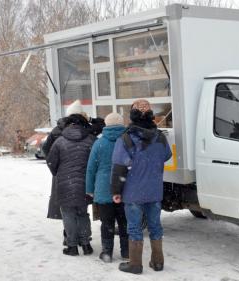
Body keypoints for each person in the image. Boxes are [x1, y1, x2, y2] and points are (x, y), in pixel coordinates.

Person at [111, 99, 172, 274]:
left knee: (134, 228)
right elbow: (166, 155)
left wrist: (116, 191)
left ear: (132, 115)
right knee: (155, 226)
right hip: (154, 190)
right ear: (151, 115)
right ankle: (158, 261)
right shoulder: (159, 136)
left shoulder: (126, 138)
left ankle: (136, 264)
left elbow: (119, 166)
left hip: (133, 192)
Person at [46, 100, 96, 256]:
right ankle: (86, 244)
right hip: (84, 183)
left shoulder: (60, 140)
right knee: (83, 213)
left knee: (68, 214)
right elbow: (95, 161)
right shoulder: (90, 139)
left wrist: (58, 173)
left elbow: (51, 161)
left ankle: (72, 246)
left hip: (65, 183)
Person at [86, 112, 128, 263]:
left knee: (107, 223)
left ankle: (107, 253)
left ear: (106, 125)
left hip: (104, 189)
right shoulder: (127, 141)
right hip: (124, 188)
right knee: (125, 223)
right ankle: (126, 252)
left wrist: (90, 189)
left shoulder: (99, 143)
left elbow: (91, 168)